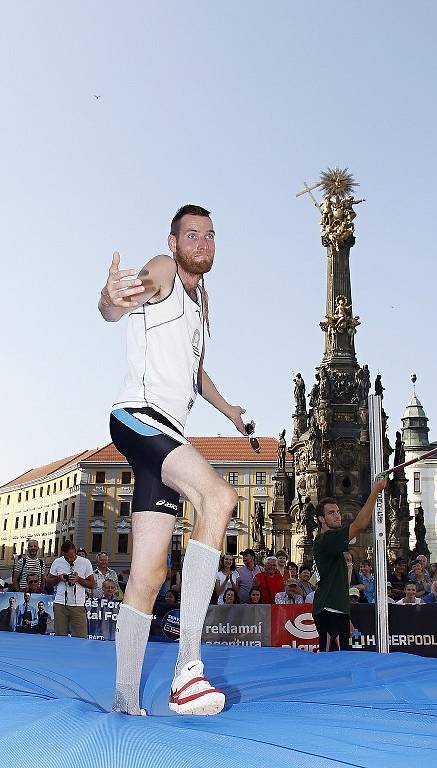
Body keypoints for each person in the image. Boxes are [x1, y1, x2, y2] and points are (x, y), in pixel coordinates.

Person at [100, 204, 248, 717]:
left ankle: (123, 698)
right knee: (219, 495)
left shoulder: (202, 303)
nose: (203, 243)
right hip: (140, 419)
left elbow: (195, 371)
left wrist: (228, 410)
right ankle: (188, 668)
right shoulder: (162, 270)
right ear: (174, 241)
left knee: (149, 572)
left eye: (210, 235)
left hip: (162, 437)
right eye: (193, 235)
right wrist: (110, 298)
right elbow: (122, 301)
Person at [312, 478, 387, 652]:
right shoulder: (327, 540)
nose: (337, 515)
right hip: (329, 609)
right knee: (333, 660)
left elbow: (337, 582)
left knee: (341, 659)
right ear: (321, 519)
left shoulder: (330, 541)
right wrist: (375, 491)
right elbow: (359, 525)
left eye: (337, 511)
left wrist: (346, 615)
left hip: (336, 610)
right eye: (331, 513)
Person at [46, 540, 95, 637]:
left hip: (78, 605)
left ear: (75, 551)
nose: (70, 559)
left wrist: (78, 579)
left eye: (72, 556)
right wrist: (59, 578)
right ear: (63, 554)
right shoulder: (57, 562)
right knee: (60, 636)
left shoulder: (85, 562)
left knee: (80, 637)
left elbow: (92, 584)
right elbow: (48, 583)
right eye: (67, 558)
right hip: (60, 604)